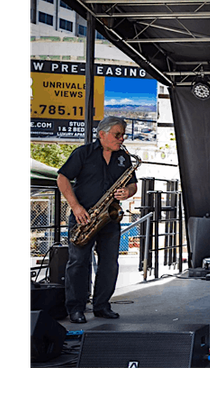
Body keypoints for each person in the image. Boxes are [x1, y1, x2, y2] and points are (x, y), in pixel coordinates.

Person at [56, 116, 139, 324]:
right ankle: (76, 307)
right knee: (78, 263)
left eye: (123, 135)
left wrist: (127, 192)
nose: (121, 139)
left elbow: (133, 185)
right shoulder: (82, 153)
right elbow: (62, 178)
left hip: (109, 219)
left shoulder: (123, 158)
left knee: (109, 263)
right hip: (83, 217)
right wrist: (75, 207)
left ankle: (102, 305)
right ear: (102, 134)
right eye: (117, 134)